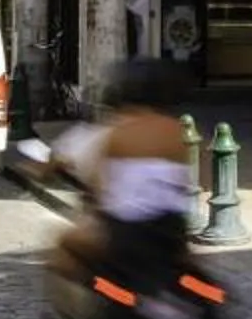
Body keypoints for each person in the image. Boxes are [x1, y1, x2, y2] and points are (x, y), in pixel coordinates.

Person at [36, 58, 198, 292]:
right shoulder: (177, 133)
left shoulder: (115, 133)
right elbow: (186, 185)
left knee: (65, 246)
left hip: (125, 232)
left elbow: (98, 186)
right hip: (171, 231)